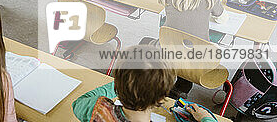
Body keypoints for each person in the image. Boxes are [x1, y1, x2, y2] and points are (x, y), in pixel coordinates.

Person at [72, 45, 216, 122]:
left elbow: (79, 103)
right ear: (161, 97)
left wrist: (120, 84)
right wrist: (205, 118)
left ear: (117, 86)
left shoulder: (98, 110)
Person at [159, 0, 227, 98]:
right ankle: (180, 89)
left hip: (168, 53)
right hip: (198, 62)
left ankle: (167, 85)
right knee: (192, 52)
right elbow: (221, 18)